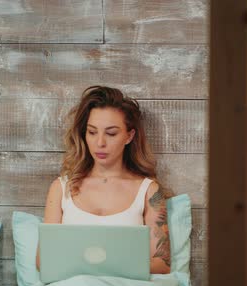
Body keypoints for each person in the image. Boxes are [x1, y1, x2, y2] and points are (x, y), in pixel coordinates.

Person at [37, 85, 171, 275]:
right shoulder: (60, 188)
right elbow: (43, 260)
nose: (100, 143)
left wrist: (106, 271)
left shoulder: (149, 191)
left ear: (129, 136)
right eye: (92, 132)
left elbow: (163, 264)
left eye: (111, 133)